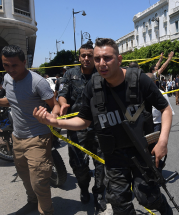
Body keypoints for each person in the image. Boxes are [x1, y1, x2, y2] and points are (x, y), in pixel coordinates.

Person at [34, 38, 174, 214]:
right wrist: (53, 122)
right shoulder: (93, 86)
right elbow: (84, 121)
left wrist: (163, 141)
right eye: (97, 59)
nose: (102, 63)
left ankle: (164, 208)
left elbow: (165, 109)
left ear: (119, 59)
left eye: (107, 58)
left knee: (148, 198)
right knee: (119, 204)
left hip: (142, 150)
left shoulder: (139, 79)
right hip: (114, 155)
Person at [1, 45, 60, 215]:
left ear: (24, 62)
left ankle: (46, 212)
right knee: (25, 177)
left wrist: (53, 118)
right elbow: (12, 101)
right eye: (6, 65)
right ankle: (33, 202)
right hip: (17, 137)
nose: (10, 69)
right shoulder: (7, 78)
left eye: (14, 65)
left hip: (38, 137)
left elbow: (54, 105)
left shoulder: (37, 82)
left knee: (39, 182)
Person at [57, 42, 106, 212]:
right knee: (78, 166)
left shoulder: (101, 74)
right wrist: (63, 105)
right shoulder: (70, 75)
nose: (86, 58)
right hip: (77, 128)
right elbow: (62, 95)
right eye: (83, 55)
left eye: (89, 55)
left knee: (102, 165)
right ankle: (84, 188)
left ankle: (99, 193)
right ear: (79, 57)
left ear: (94, 57)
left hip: (100, 127)